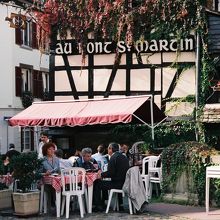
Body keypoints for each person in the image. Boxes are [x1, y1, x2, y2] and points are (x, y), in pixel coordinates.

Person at [93, 142, 129, 211]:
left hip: (117, 184)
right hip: (125, 183)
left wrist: (101, 174)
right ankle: (120, 205)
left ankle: (98, 205)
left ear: (110, 149)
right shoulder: (123, 156)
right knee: (104, 182)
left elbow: (111, 173)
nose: (107, 150)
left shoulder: (113, 157)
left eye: (108, 149)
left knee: (97, 183)